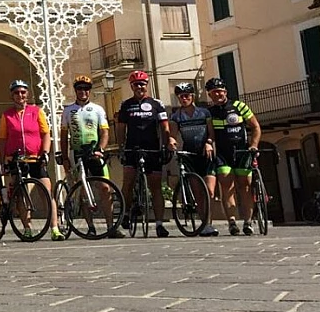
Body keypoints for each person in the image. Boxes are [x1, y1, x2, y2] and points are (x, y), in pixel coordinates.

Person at [59, 76, 121, 239]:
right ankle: (91, 227)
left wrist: (101, 149)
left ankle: (111, 227)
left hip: (94, 152)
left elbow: (104, 131)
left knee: (105, 188)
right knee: (82, 191)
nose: (83, 91)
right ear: (75, 90)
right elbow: (63, 136)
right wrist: (64, 158)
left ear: (90, 91)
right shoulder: (68, 110)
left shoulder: (97, 109)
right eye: (80, 88)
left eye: (86, 88)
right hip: (77, 153)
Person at [117, 70, 177, 238]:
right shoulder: (126, 105)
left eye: (142, 84)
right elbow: (121, 128)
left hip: (152, 149)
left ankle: (159, 224)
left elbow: (164, 127)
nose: (139, 87)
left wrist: (167, 143)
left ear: (147, 85)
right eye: (136, 85)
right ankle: (126, 213)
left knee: (155, 187)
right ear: (131, 87)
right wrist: (121, 147)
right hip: (132, 148)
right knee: (128, 182)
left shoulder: (157, 104)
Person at [0, 80, 61, 240]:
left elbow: (45, 133)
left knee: (46, 192)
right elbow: (3, 139)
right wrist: (2, 161)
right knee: (20, 194)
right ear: (12, 95)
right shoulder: (7, 115)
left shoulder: (36, 111)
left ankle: (55, 228)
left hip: (36, 158)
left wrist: (45, 152)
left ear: (27, 94)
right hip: (15, 159)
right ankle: (27, 228)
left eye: (23, 92)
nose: (20, 95)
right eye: (16, 92)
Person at [206, 77, 262, 236]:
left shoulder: (239, 106)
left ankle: (248, 222)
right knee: (226, 185)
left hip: (242, 151)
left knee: (245, 186)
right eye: (213, 92)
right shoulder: (210, 112)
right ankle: (232, 222)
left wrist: (254, 145)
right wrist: (209, 142)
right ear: (209, 95)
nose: (217, 94)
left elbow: (255, 127)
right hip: (223, 154)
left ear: (225, 91)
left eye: (219, 91)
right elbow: (210, 134)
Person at [169, 82, 218, 237]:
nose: (184, 99)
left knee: (209, 191)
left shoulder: (204, 113)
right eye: (180, 97)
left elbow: (211, 133)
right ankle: (204, 225)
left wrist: (209, 143)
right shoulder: (176, 116)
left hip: (205, 154)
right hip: (189, 155)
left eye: (186, 96)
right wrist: (171, 141)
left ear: (192, 96)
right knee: (197, 192)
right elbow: (173, 134)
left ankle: (209, 222)